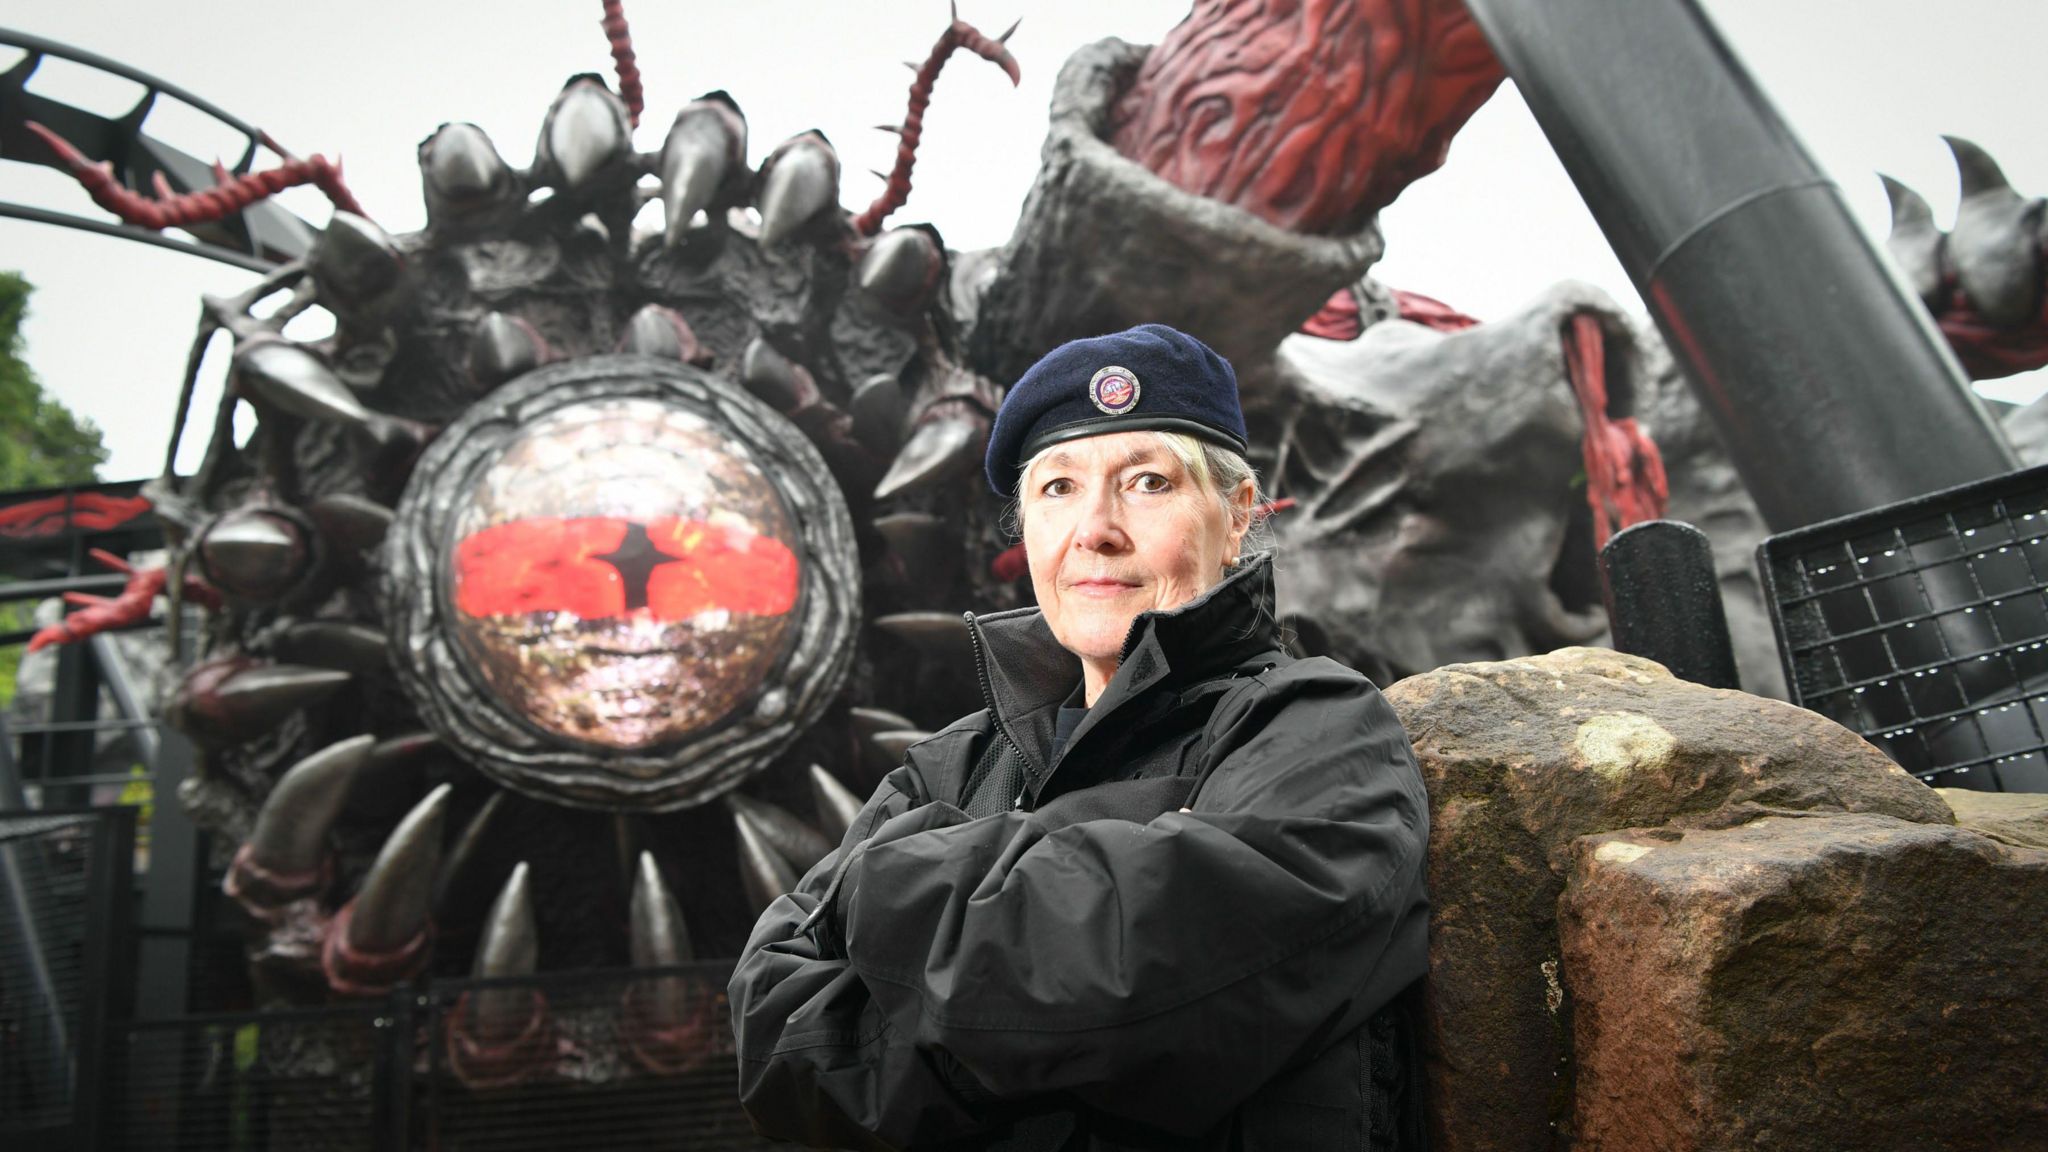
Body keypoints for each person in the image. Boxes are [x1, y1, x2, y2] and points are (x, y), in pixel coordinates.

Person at [730, 324, 1431, 1150]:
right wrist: (1020, 1000)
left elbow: (1127, 988)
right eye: (1058, 489)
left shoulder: (1321, 730)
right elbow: (775, 1035)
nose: (1095, 529)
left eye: (1147, 482)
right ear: (1025, 530)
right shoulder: (948, 767)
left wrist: (883, 884)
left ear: (1237, 515)